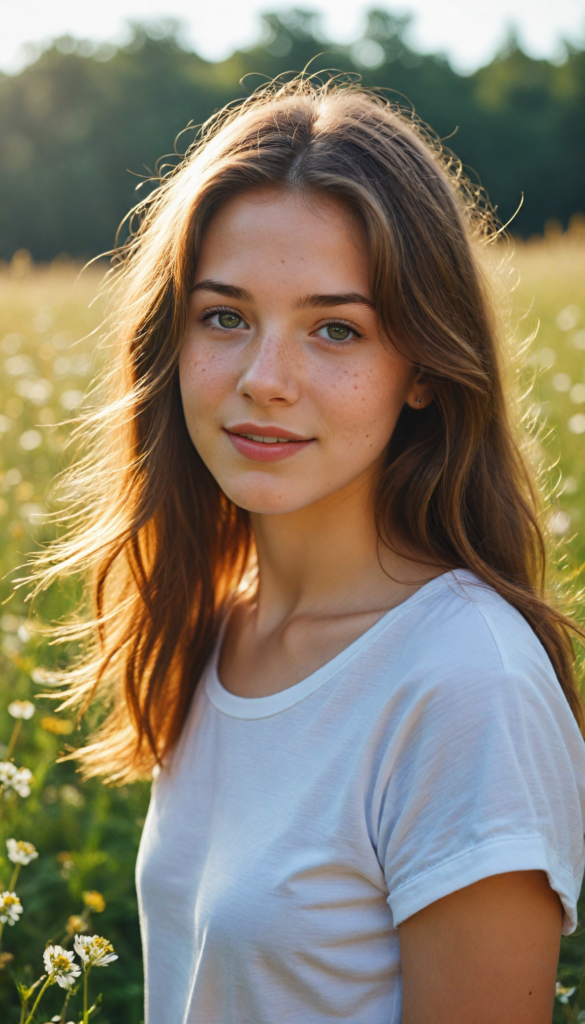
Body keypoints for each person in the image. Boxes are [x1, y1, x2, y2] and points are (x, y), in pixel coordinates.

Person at [33, 78, 585, 1023]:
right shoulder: (216, 620)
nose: (263, 380)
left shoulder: (464, 688)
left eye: (335, 329)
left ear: (422, 369)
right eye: (224, 316)